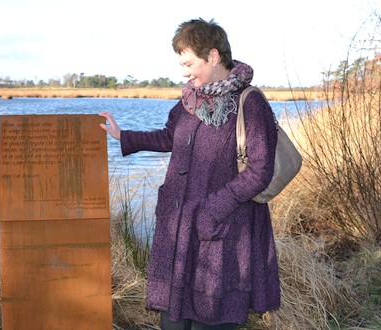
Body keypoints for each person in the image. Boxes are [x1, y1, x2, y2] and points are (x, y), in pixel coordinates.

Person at [99, 18, 280, 330]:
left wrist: (212, 209)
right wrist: (123, 135)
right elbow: (170, 136)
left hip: (222, 233)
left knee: (212, 319)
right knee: (173, 320)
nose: (184, 72)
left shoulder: (250, 103)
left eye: (189, 63)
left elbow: (260, 171)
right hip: (179, 232)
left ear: (212, 56)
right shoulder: (189, 100)